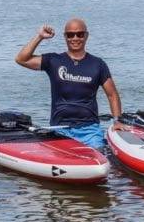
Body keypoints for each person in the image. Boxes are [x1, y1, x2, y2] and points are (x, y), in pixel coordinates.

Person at [14, 18, 124, 149]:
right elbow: (21, 59)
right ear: (65, 37)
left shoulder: (98, 64)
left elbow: (112, 95)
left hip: (89, 131)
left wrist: (117, 121)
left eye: (80, 34)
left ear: (86, 36)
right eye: (70, 34)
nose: (75, 38)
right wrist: (40, 37)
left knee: (100, 160)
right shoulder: (54, 60)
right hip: (59, 129)